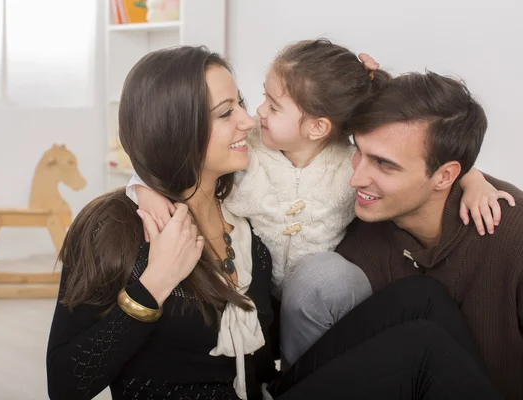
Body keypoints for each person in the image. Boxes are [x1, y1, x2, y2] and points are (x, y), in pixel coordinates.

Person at [45, 45, 502, 400]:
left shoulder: (247, 231)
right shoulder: (116, 227)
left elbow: (381, 135)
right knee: (420, 348)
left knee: (419, 299)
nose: (248, 120)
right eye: (226, 113)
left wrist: (468, 172)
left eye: (243, 102)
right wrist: (154, 284)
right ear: (176, 127)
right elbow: (66, 385)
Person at [332, 70, 522, 399]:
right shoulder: (353, 223)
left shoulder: (514, 236)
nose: (356, 179)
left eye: (383, 164)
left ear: (445, 175)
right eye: (358, 150)